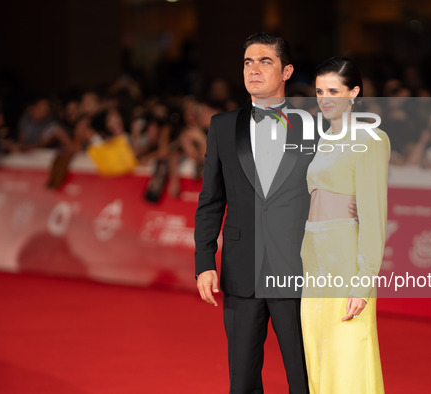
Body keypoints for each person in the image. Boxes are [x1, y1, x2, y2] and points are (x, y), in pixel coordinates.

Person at [194, 32, 313, 393]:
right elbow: (211, 199)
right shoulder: (222, 126)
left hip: (296, 269)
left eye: (265, 62)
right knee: (242, 379)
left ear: (287, 70)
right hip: (241, 269)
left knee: (303, 376)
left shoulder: (314, 127)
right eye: (248, 62)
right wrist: (204, 261)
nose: (254, 70)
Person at [300, 57, 389, 393]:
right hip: (314, 260)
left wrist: (363, 283)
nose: (325, 99)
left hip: (346, 263)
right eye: (320, 91)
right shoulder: (323, 140)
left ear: (353, 92)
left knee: (349, 357)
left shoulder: (371, 139)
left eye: (334, 91)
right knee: (320, 356)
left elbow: (373, 217)